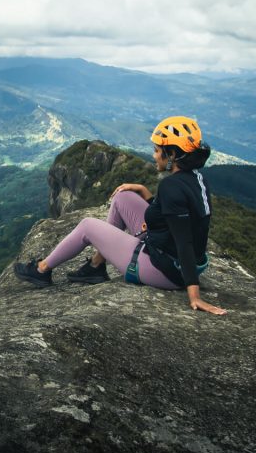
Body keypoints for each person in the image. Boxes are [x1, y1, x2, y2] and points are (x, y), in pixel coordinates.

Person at [14, 116, 227, 315]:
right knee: (123, 197)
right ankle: (96, 266)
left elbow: (184, 242)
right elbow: (174, 217)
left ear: (171, 154)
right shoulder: (197, 179)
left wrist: (194, 295)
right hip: (169, 255)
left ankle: (42, 270)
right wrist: (144, 191)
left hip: (164, 269)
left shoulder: (171, 186)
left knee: (88, 225)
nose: (154, 155)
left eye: (157, 150)